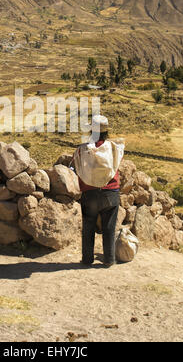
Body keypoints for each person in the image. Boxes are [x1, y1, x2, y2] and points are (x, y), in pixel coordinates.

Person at [73, 115, 121, 268]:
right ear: (106, 132)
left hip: (89, 192)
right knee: (109, 227)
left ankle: (87, 259)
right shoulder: (114, 148)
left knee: (88, 226)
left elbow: (78, 169)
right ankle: (109, 259)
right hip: (111, 191)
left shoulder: (82, 149)